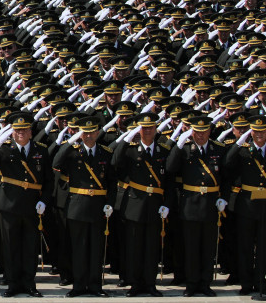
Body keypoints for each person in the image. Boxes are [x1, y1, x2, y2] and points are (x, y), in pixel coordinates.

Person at [0, 111, 51, 298]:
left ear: (30, 131)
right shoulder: (3, 149)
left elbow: (48, 180)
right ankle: (13, 284)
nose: (21, 133)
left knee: (30, 247)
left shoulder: (41, 150)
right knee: (10, 246)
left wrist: (44, 200)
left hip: (31, 205)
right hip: (8, 205)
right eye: (17, 130)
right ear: (12, 132)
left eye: (25, 129)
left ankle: (29, 283)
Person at [53, 115, 116, 298]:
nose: (88, 136)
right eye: (85, 133)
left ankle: (95, 285)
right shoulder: (72, 152)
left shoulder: (105, 153)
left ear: (97, 133)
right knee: (78, 248)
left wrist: (110, 203)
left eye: (91, 132)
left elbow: (112, 182)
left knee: (96, 249)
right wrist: (70, 141)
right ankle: (79, 285)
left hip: (98, 206)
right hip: (77, 206)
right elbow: (56, 162)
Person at [111, 113, 170, 297]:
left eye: (150, 128)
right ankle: (135, 284)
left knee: (152, 248)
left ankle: (150, 284)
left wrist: (167, 204)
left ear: (155, 130)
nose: (147, 131)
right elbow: (115, 162)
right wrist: (127, 139)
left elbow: (168, 181)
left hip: (154, 205)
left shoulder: (163, 151)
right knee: (134, 248)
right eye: (143, 128)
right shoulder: (130, 150)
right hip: (135, 205)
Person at [166, 116, 225, 297]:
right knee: (191, 248)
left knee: (208, 248)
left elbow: (227, 175)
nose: (201, 136)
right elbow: (170, 167)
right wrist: (178, 145)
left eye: (204, 132)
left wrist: (224, 198)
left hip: (210, 204)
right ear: (192, 132)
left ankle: (205, 284)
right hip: (190, 204)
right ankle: (191, 284)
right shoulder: (184, 150)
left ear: (209, 131)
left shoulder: (218, 149)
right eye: (197, 132)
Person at [224, 115, 266, 295]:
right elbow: (227, 163)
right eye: (255, 131)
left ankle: (261, 282)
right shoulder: (244, 150)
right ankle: (247, 283)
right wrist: (239, 142)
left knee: (264, 247)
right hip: (247, 203)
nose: (259, 135)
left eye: (262, 131)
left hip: (265, 205)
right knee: (245, 246)